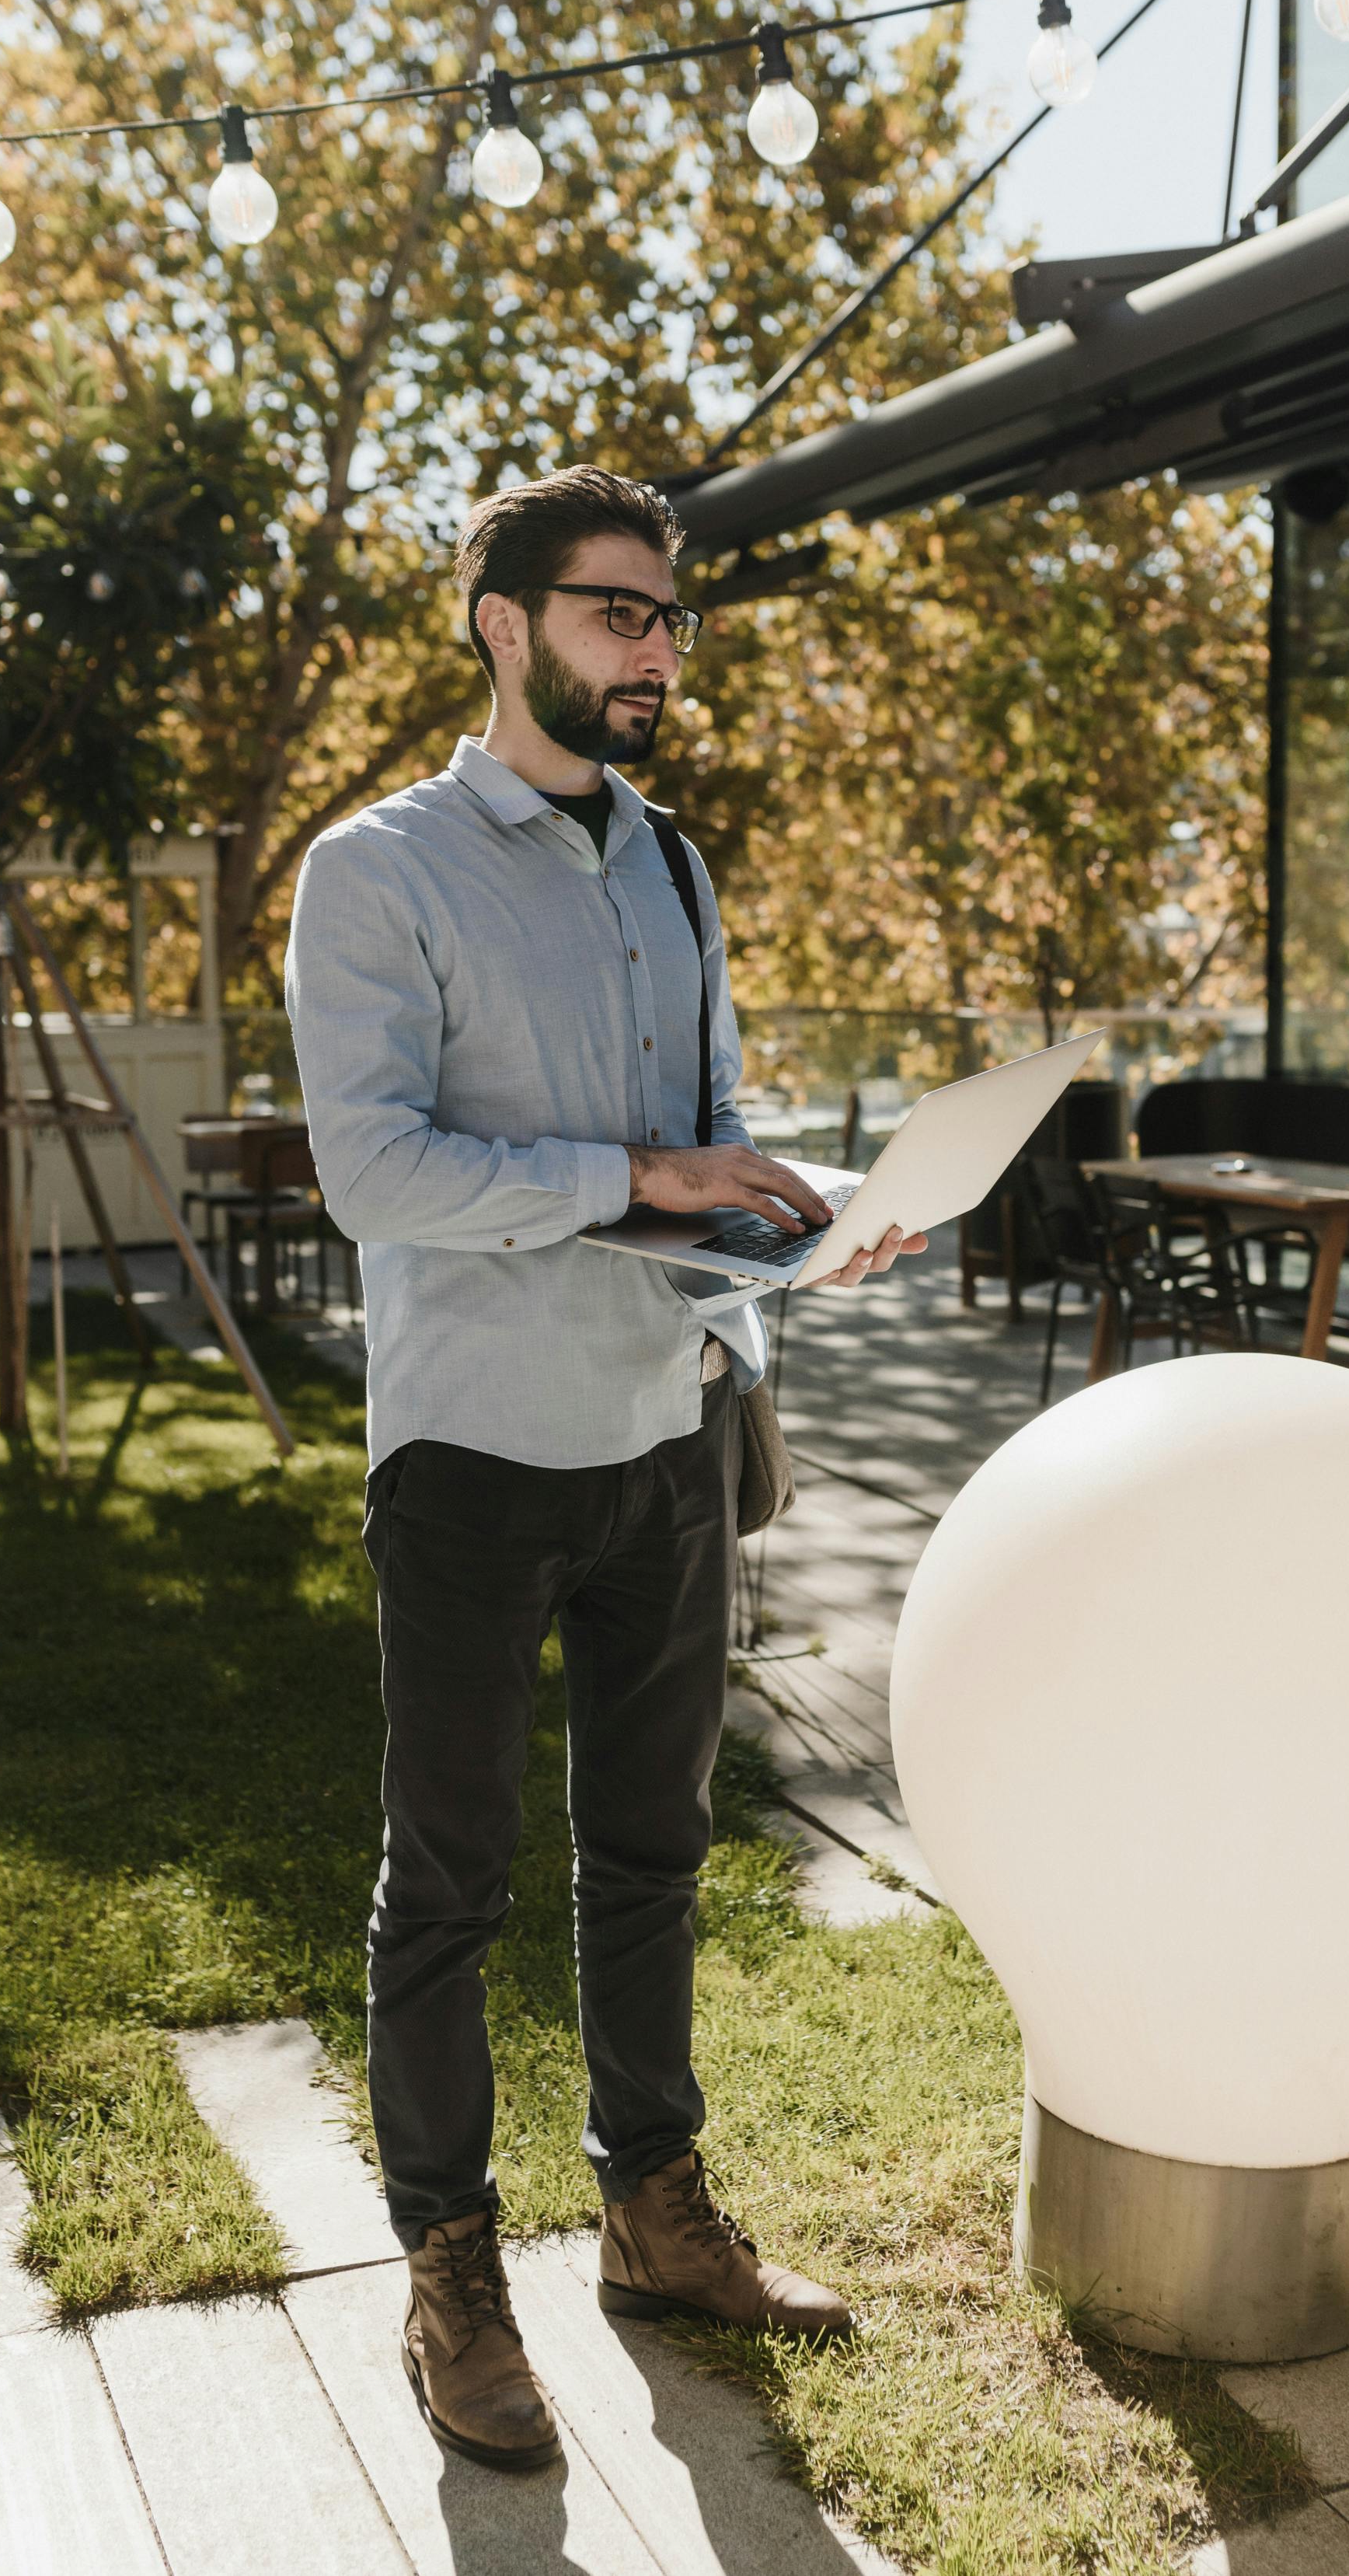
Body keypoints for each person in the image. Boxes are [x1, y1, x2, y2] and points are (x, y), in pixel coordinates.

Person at [284, 466, 925, 2474]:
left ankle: (653, 2212)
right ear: (503, 621)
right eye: (618, 613)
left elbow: (704, 1127)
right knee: (448, 1884)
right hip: (474, 1455)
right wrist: (635, 1177)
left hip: (667, 1436)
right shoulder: (373, 873)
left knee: (654, 1854)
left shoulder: (674, 864)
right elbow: (373, 1165)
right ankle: (451, 2269)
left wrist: (806, 1212)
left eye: (670, 619)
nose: (657, 651)